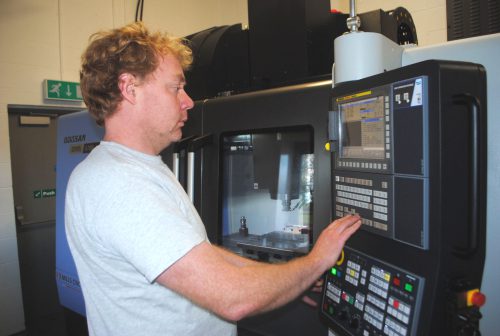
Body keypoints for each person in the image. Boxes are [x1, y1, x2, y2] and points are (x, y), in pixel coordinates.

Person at [66, 21, 362, 336]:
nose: (188, 101)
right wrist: (316, 260)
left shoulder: (133, 168)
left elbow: (198, 254)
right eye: (176, 87)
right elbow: (233, 298)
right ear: (129, 88)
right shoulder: (119, 183)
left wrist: (288, 278)